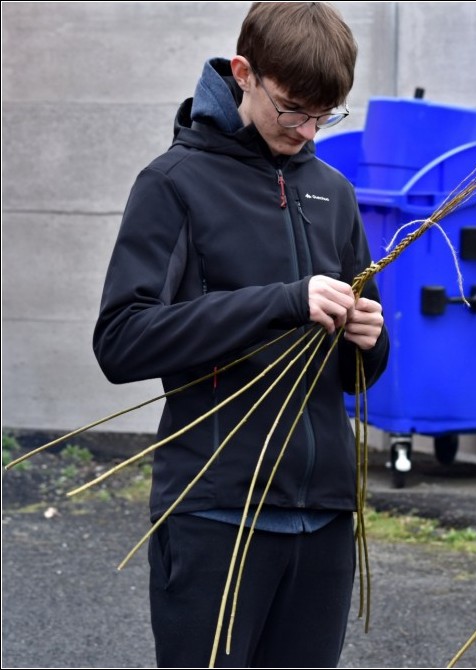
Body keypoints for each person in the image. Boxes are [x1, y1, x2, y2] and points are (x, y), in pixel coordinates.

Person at [92, 3, 389, 667]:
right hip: (216, 514)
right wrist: (282, 302)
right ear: (243, 72)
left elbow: (354, 378)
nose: (307, 130)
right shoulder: (174, 184)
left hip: (325, 518)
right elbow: (121, 340)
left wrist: (369, 340)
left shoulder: (333, 193)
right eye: (292, 110)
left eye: (325, 114)